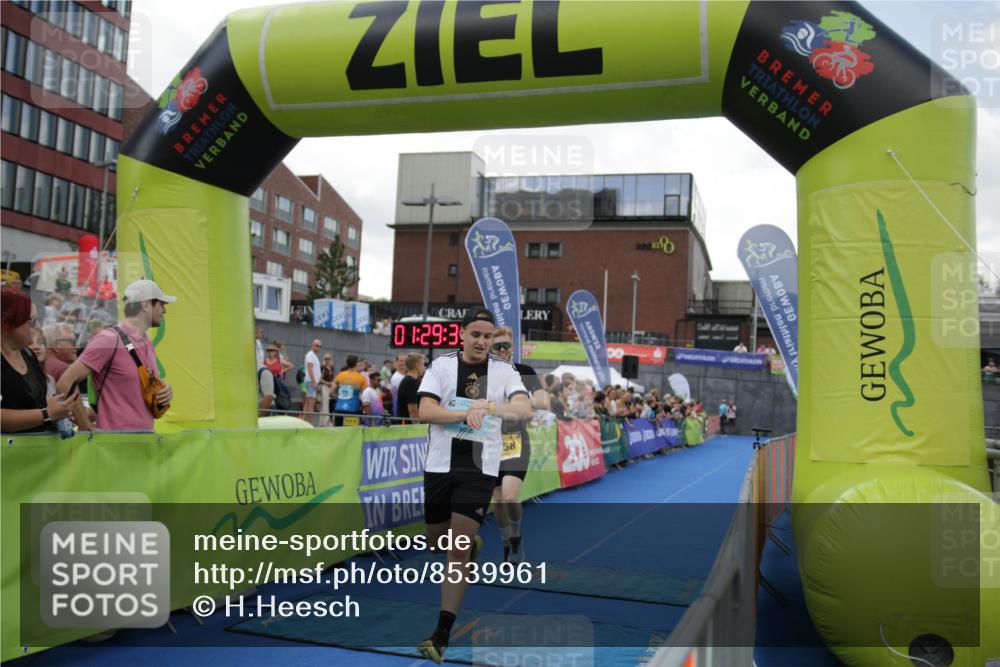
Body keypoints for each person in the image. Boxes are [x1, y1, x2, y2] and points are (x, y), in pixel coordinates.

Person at [415, 307, 531, 663]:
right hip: (439, 466)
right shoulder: (442, 366)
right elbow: (426, 412)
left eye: (488, 336)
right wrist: (464, 413)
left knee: (457, 550)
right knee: (437, 542)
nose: (482, 342)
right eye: (475, 334)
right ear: (462, 334)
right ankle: (470, 544)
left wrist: (490, 407)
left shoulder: (504, 370)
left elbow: (524, 409)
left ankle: (441, 635)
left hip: (480, 469)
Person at [57, 279, 175, 431]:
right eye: (161, 304)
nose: (164, 310)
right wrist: (85, 426)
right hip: (113, 446)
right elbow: (65, 383)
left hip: (143, 443)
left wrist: (165, 389)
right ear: (145, 305)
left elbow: (136, 385)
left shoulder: (146, 342)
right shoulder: (109, 339)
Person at [488, 325, 545, 564]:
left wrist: (529, 404)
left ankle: (516, 536)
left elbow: (542, 398)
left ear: (513, 347)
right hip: (489, 441)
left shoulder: (524, 371)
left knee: (510, 496)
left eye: (506, 346)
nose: (502, 350)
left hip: (515, 440)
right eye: (497, 346)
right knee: (498, 500)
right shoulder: (483, 373)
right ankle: (505, 540)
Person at [1, 288, 81, 433]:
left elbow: (31, 405)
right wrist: (47, 414)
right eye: (30, 321)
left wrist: (55, 410)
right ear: (8, 323)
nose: (35, 327)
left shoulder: (28, 354)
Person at [332, 354, 366, 426]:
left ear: (346, 363)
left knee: (339, 433)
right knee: (353, 434)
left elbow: (331, 392)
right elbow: (364, 397)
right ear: (356, 364)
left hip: (339, 409)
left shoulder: (340, 375)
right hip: (354, 410)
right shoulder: (361, 378)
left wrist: (339, 398)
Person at [395, 353, 425, 423]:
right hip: (407, 427)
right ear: (417, 365)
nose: (424, 367)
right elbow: (413, 410)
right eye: (423, 364)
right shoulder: (410, 382)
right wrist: (419, 427)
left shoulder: (414, 381)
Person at [301, 339, 322, 424]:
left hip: (310, 381)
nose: (318, 347)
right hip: (311, 381)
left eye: (319, 346)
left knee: (308, 403)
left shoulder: (313, 355)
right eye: (316, 345)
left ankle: (304, 423)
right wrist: (314, 382)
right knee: (311, 404)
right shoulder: (311, 355)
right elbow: (310, 369)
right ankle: (309, 423)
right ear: (312, 345)